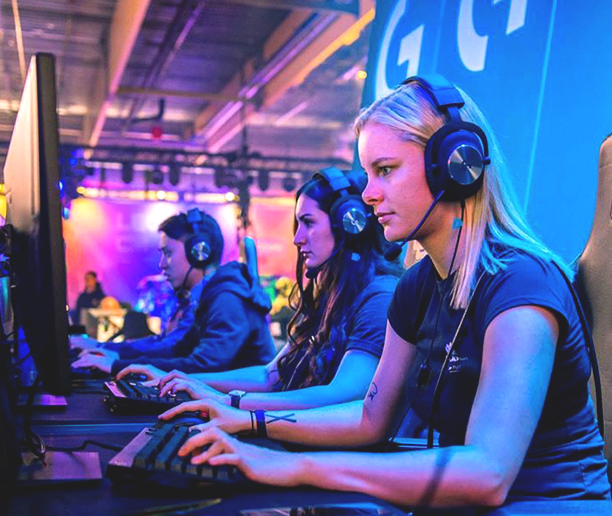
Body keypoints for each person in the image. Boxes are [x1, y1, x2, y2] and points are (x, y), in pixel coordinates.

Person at [160, 76, 611, 507]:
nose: (368, 195)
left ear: (456, 167)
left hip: (551, 505)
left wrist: (293, 466)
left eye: (386, 170)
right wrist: (248, 421)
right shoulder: (416, 287)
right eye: (369, 173)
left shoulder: (521, 284)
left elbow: (486, 473)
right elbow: (369, 419)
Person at [119, 169, 402, 415]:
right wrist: (188, 380)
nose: (297, 238)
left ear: (350, 225)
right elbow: (270, 377)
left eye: (309, 222)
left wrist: (229, 402)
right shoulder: (327, 297)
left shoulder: (378, 297)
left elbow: (343, 395)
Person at [72, 208, 276, 376]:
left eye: (168, 253)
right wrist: (115, 357)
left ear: (199, 254)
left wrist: (117, 364)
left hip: (241, 410)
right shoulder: (211, 297)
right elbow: (176, 350)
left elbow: (204, 366)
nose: (162, 264)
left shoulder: (227, 300)